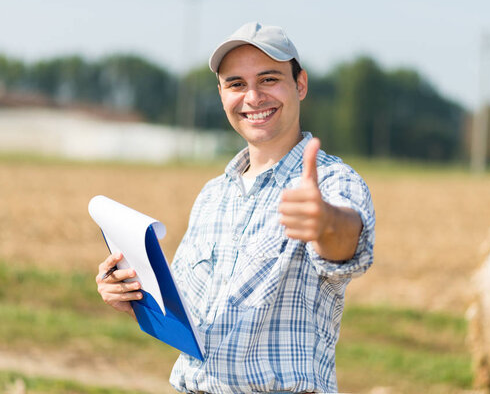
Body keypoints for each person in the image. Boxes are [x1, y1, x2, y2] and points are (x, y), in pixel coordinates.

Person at [96, 21, 375, 393]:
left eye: (269, 79)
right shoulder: (213, 195)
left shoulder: (332, 183)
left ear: (301, 84)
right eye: (236, 84)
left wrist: (324, 222)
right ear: (221, 94)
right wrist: (131, 294)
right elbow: (188, 317)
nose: (253, 97)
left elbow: (347, 246)